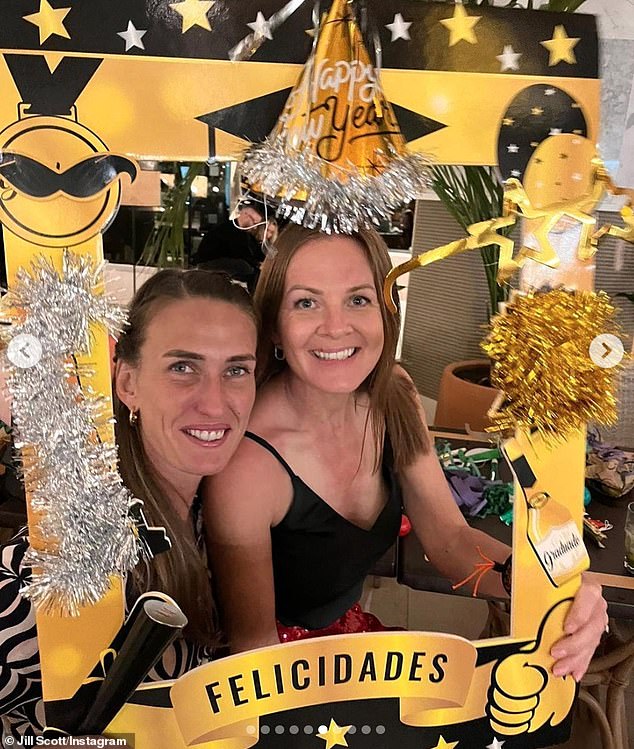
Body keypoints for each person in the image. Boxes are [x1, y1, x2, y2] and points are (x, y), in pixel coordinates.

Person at [203, 224, 608, 683]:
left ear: (387, 311)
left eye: (358, 299)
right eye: (306, 302)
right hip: (272, 678)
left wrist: (549, 588)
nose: (337, 327)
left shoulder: (394, 392)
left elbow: (450, 540)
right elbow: (251, 655)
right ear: (274, 325)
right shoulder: (247, 467)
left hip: (350, 645)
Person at [0, 269, 258, 737]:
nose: (216, 403)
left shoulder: (215, 516)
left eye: (236, 370)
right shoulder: (64, 558)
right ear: (127, 383)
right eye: (183, 367)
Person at [192, 198, 270, 291]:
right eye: (254, 222)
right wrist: (257, 264)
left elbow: (250, 251)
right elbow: (240, 253)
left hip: (222, 263)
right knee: (246, 268)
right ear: (246, 215)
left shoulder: (242, 232)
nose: (255, 226)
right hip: (210, 264)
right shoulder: (228, 230)